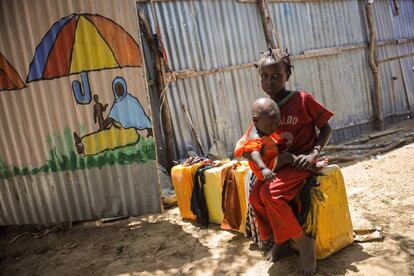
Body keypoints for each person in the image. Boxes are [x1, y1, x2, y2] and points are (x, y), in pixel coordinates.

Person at [243, 49, 333, 276]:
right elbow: (252, 140)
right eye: (264, 76)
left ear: (287, 75)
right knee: (255, 196)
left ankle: (304, 243)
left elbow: (326, 127)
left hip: (302, 163)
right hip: (279, 166)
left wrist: (313, 152)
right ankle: (280, 238)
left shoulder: (302, 100)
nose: (269, 81)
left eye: (276, 76)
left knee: (271, 194)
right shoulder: (263, 108)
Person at [235, 97, 326, 182]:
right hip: (266, 166)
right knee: (287, 157)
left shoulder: (261, 126)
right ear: (255, 120)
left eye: (277, 124)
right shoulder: (254, 136)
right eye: (270, 125)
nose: (274, 128)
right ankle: (312, 168)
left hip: (268, 163)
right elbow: (254, 153)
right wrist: (263, 168)